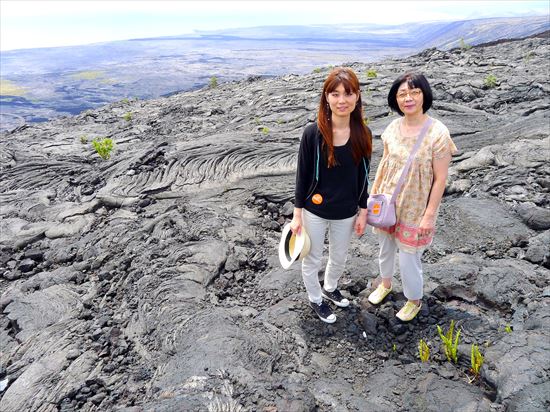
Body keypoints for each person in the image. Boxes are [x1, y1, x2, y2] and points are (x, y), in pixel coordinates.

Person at [367, 72, 457, 321]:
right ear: (395, 99)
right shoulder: (392, 128)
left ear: (424, 95)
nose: (408, 98)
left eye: (414, 92)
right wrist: (372, 198)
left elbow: (440, 179)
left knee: (408, 256)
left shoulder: (438, 133)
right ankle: (385, 284)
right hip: (387, 201)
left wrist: (429, 216)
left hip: (416, 206)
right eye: (402, 94)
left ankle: (414, 300)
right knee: (385, 248)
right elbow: (385, 165)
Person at [290, 67, 372, 323]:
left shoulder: (363, 134)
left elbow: (364, 177)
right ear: (326, 97)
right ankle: (315, 299)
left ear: (357, 97)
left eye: (348, 94)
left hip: (346, 211)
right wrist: (297, 214)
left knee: (339, 256)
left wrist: (363, 210)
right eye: (335, 94)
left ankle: (330, 287)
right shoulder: (312, 133)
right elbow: (302, 175)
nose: (341, 100)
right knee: (311, 258)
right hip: (314, 211)